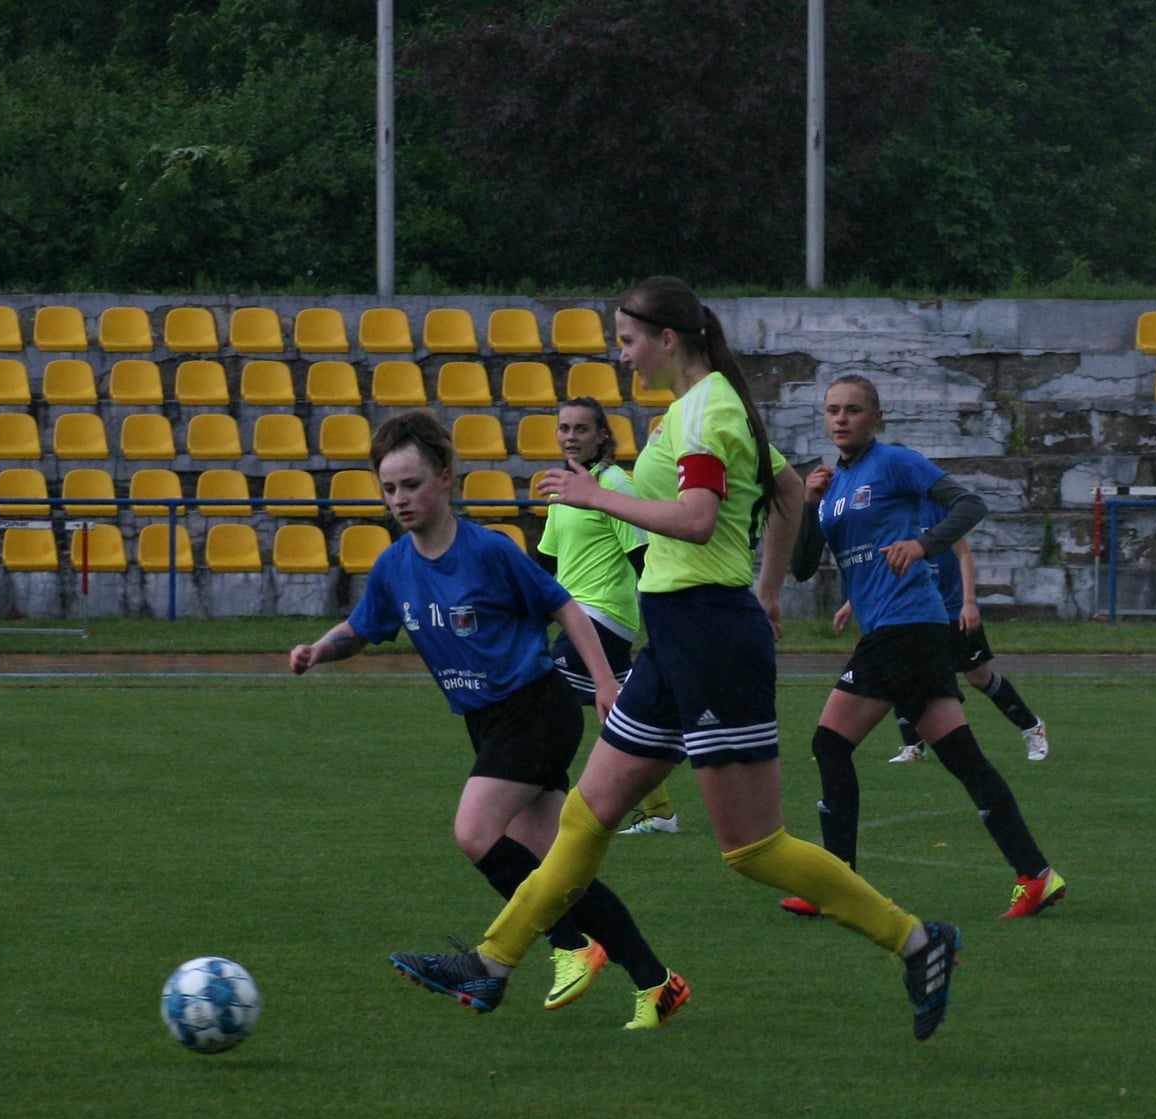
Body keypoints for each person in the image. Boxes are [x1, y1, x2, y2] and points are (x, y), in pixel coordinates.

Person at [390, 277, 964, 1042]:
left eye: (628, 340)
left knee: (753, 848)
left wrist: (600, 498)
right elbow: (787, 488)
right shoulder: (698, 408)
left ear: (668, 338)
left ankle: (918, 941)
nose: (622, 355)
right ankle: (491, 963)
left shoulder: (708, 411)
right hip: (679, 635)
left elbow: (696, 520)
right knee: (586, 816)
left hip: (710, 640)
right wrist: (767, 589)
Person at [297, 410, 689, 1029]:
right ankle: (657, 982)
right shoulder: (395, 566)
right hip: (487, 722)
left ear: (445, 479)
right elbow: (362, 628)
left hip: (535, 708)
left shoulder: (487, 551)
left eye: (411, 484)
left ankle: (560, 947)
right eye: (389, 488)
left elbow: (566, 608)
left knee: (474, 831)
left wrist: (605, 682)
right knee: (560, 872)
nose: (399, 498)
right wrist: (320, 649)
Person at [780, 376, 1065, 921]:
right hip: (905, 630)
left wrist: (923, 543)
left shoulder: (895, 462)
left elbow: (969, 504)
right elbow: (801, 568)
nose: (841, 419)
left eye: (853, 410)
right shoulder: (832, 486)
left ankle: (836, 883)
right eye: (833, 410)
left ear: (877, 417)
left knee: (829, 744)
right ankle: (1036, 875)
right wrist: (810, 503)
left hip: (905, 626)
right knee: (963, 758)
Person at [535, 397, 681, 837]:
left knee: (542, 702)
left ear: (602, 436)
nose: (570, 437)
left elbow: (642, 556)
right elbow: (546, 564)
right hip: (576, 615)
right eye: (564, 428)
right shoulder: (563, 488)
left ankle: (545, 801)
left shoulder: (615, 483)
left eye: (581, 429)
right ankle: (661, 813)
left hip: (604, 616)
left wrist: (663, 623)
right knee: (620, 713)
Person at [876, 502, 1049, 764]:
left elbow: (964, 555)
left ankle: (1031, 726)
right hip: (917, 609)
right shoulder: (893, 509)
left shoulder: (937, 508)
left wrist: (968, 603)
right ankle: (914, 747)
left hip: (952, 608)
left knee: (978, 678)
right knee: (903, 673)